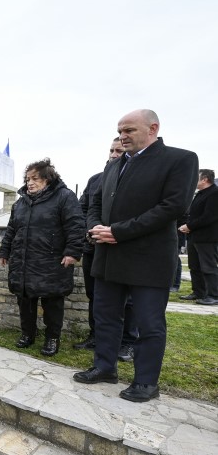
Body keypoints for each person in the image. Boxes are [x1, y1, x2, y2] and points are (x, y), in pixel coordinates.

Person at [74, 109, 198, 403]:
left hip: (148, 259)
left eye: (129, 130)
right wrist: (95, 228)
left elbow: (172, 207)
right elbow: (95, 202)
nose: (122, 136)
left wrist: (119, 231)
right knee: (104, 316)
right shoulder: (114, 166)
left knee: (148, 323)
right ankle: (105, 367)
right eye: (120, 131)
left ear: (152, 128)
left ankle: (145, 382)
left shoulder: (180, 160)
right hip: (108, 257)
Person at [0, 159, 85, 357]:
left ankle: (52, 338)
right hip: (23, 261)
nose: (30, 183)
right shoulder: (21, 202)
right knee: (25, 300)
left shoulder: (64, 197)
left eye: (35, 178)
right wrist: (4, 251)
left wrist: (72, 252)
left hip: (52, 261)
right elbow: (12, 229)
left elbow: (76, 225)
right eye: (28, 179)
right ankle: (28, 334)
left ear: (47, 179)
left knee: (52, 303)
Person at [73, 138, 139, 362]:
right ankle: (96, 336)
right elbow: (84, 209)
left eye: (118, 150)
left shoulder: (136, 178)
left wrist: (115, 232)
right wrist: (92, 230)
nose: (113, 154)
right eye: (111, 150)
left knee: (128, 300)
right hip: (95, 248)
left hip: (124, 248)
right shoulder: (96, 180)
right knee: (96, 296)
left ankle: (128, 342)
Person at [179, 169, 218, 304]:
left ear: (205, 179)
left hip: (207, 238)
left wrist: (189, 226)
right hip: (195, 236)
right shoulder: (201, 194)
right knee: (194, 266)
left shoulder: (214, 193)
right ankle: (199, 292)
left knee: (208, 267)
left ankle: (214, 295)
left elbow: (209, 216)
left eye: (197, 178)